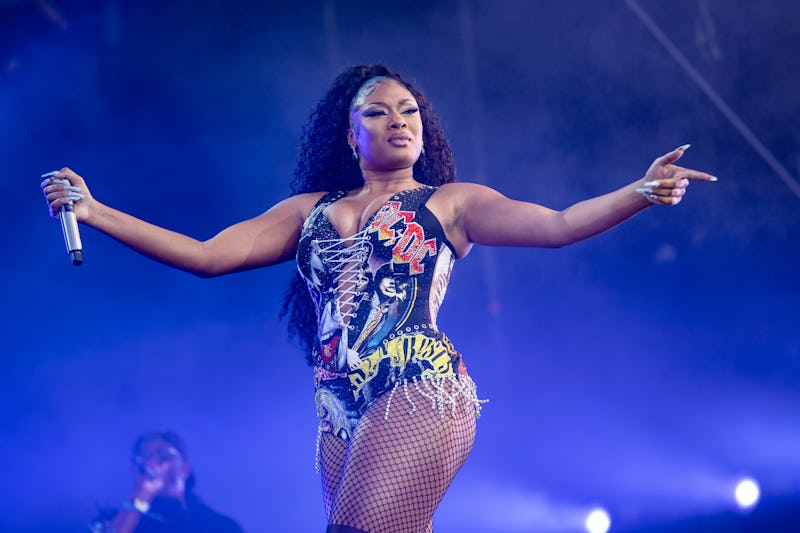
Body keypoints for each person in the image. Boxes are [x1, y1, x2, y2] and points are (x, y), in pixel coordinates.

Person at [42, 64, 716, 533]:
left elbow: (559, 226)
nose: (399, 121)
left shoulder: (450, 203)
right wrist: (98, 212)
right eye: (379, 112)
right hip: (339, 411)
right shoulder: (308, 210)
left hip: (419, 389)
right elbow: (208, 256)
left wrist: (639, 191)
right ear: (350, 133)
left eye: (410, 111)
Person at [89, 429, 243, 533]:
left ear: (184, 469)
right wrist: (143, 496)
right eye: (143, 457)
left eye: (163, 455)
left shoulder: (219, 526)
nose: (151, 463)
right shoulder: (115, 520)